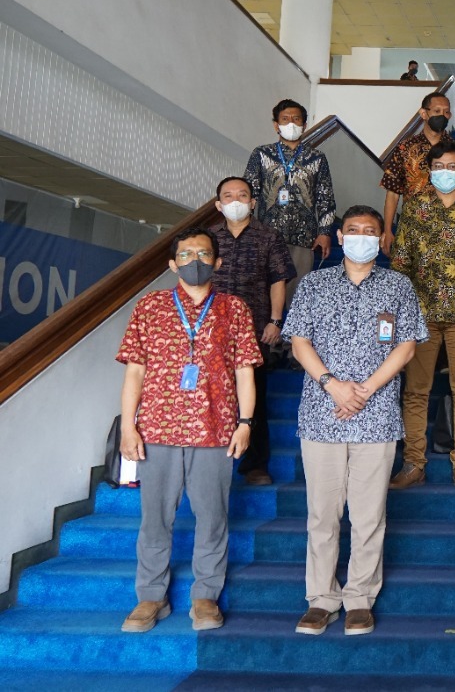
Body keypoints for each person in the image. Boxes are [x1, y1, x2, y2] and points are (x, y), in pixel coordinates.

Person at [283, 206, 426, 637]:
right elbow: (299, 341)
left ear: (382, 239)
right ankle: (322, 598)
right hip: (322, 413)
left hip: (376, 415)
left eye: (371, 231)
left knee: (368, 514)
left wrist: (362, 389)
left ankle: (359, 597)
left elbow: (406, 347)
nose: (362, 236)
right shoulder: (313, 284)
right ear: (340, 237)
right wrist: (332, 385)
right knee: (322, 514)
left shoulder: (399, 286)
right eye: (353, 230)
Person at [116, 228, 261, 634]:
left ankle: (205, 597)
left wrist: (245, 423)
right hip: (158, 428)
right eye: (185, 254)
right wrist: (129, 426)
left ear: (217, 262)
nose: (193, 260)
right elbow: (135, 372)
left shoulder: (234, 309)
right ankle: (150, 596)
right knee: (155, 519)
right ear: (171, 263)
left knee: (213, 517)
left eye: (202, 253)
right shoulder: (150, 306)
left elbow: (244, 372)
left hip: (215, 430)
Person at [388, 142, 455, 491]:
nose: (445, 172)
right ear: (430, 169)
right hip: (420, 316)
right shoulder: (416, 207)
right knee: (416, 391)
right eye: (439, 166)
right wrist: (406, 308)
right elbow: (401, 259)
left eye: (452, 167)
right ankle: (413, 464)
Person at [209, 176, 296, 486]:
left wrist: (275, 320)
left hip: (254, 328)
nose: (236, 201)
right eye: (228, 196)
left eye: (242, 195)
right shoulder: (208, 237)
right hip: (211, 331)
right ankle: (212, 461)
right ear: (218, 204)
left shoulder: (268, 236)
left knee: (254, 397)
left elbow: (277, 279)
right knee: (212, 394)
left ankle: (255, 464)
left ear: (253, 202)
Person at [243, 99, 337, 304]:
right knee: (264, 294)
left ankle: (294, 336)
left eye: (296, 119)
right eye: (285, 119)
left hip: (304, 237)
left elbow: (325, 196)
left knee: (298, 296)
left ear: (304, 124)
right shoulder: (261, 154)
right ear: (276, 125)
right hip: (266, 235)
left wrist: (324, 232)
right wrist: (247, 228)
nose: (291, 123)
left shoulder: (317, 157)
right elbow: (249, 193)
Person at [380, 91, 455, 254]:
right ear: (424, 113)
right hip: (414, 225)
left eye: (446, 111)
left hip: (453, 225)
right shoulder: (405, 148)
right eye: (436, 111)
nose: (442, 115)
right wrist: (387, 230)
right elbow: (393, 193)